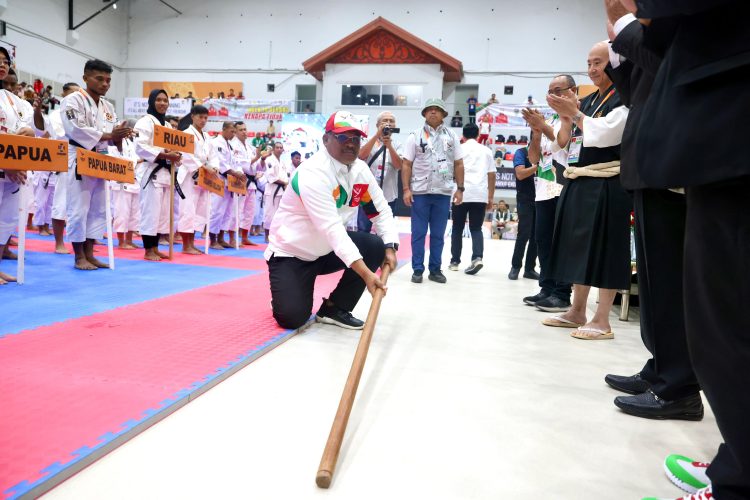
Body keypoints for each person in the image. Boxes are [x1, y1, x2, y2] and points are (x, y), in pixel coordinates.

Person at [630, 1, 750, 498]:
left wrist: (630, 15)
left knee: (727, 322)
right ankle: (739, 462)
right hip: (725, 116)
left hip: (732, 117)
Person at [596, 1, 703, 424]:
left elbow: (668, 66)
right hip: (649, 164)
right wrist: (619, 43)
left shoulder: (681, 22)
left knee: (671, 280)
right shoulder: (652, 31)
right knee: (657, 281)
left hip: (672, 162)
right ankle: (662, 368)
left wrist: (624, 23)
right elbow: (634, 93)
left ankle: (679, 385)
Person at [264, 111, 398, 330]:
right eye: (343, 137)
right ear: (326, 139)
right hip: (293, 254)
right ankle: (286, 291)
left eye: (356, 139)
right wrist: (366, 275)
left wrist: (390, 247)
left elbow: (379, 211)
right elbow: (332, 229)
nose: (351, 144)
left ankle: (335, 308)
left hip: (326, 250)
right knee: (292, 318)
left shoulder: (360, 172)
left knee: (375, 246)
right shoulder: (313, 173)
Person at [544, 41, 631, 339]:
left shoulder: (626, 96)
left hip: (609, 181)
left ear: (616, 64)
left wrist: (576, 114)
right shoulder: (591, 99)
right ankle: (577, 310)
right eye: (589, 63)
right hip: (580, 177)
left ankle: (602, 319)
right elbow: (567, 142)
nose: (592, 69)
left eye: (599, 62)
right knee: (577, 247)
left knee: (606, 249)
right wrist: (568, 115)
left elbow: (609, 132)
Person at [62, 59, 131, 270]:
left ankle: (90, 253)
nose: (104, 84)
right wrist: (110, 134)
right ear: (85, 78)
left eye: (108, 80)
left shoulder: (108, 106)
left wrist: (120, 136)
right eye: (99, 78)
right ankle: (78, 256)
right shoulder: (72, 100)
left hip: (100, 159)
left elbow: (112, 135)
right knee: (79, 209)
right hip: (79, 156)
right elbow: (75, 128)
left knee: (98, 209)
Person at [521, 76, 574, 312]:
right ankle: (547, 287)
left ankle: (562, 293)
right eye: (549, 91)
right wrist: (535, 132)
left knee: (561, 241)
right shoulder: (548, 118)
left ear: (571, 91)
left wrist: (542, 127)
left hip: (563, 184)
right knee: (543, 240)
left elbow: (562, 144)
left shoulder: (572, 115)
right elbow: (534, 158)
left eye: (558, 90)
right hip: (543, 187)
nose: (552, 95)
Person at [401, 98, 465, 284]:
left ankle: (435, 270)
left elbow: (459, 163)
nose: (433, 112)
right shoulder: (414, 135)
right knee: (418, 233)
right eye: (429, 109)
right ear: (424, 113)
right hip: (420, 192)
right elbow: (406, 164)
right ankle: (417, 269)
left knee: (438, 234)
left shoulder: (452, 136)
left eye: (437, 110)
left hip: (443, 193)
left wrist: (460, 189)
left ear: (444, 114)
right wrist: (406, 189)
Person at [0, 47, 46, 284]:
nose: (2, 64)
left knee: (6, 218)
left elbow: (36, 131)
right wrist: (5, 163)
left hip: (14, 169)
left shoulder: (16, 101)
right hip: (4, 165)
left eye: (5, 61)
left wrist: (31, 132)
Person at [134, 89, 182, 261]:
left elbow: (175, 148)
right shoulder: (144, 122)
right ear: (152, 102)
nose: (162, 103)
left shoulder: (168, 126)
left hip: (166, 174)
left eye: (165, 100)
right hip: (151, 172)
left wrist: (176, 156)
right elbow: (140, 146)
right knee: (150, 212)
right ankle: (148, 250)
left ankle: (155, 247)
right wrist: (164, 154)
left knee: (162, 214)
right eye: (159, 100)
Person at [448, 123, 494, 275]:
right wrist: (490, 197)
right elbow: (491, 174)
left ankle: (454, 261)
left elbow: (453, 170)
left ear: (463, 135)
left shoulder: (459, 148)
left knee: (457, 228)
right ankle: (477, 258)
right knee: (476, 228)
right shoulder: (486, 150)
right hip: (480, 194)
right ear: (479, 134)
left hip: (461, 192)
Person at [177, 105, 218, 254]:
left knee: (200, 211)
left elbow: (213, 156)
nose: (203, 120)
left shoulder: (207, 137)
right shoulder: (186, 134)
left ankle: (192, 243)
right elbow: (186, 155)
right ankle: (185, 245)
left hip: (204, 179)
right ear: (192, 116)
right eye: (200, 117)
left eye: (206, 118)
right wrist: (203, 166)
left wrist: (214, 167)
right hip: (189, 177)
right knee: (187, 210)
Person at [47, 82, 80, 254]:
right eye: (72, 93)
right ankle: (59, 243)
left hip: (81, 160)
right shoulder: (55, 115)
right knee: (60, 203)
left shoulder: (79, 113)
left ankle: (79, 243)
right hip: (63, 160)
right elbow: (62, 135)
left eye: (78, 93)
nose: (75, 96)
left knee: (80, 206)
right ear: (63, 93)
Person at [357, 111, 402, 233]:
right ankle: (363, 252)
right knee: (363, 229)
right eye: (385, 120)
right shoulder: (368, 141)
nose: (388, 123)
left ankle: (381, 252)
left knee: (385, 231)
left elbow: (399, 166)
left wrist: (389, 146)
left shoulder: (398, 144)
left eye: (391, 121)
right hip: (368, 195)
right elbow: (361, 155)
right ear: (378, 124)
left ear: (395, 125)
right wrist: (377, 135)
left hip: (388, 196)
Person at [208, 121, 246, 249]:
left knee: (227, 212)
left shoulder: (230, 145)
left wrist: (240, 173)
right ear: (223, 129)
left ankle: (221, 238)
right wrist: (235, 173)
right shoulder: (216, 143)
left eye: (235, 132)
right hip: (219, 179)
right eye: (232, 131)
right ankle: (212, 240)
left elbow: (236, 162)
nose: (233, 134)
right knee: (216, 211)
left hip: (230, 182)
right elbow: (221, 163)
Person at [508, 141, 539, 280]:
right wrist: (537, 168)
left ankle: (529, 269)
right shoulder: (521, 153)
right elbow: (520, 174)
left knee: (536, 236)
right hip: (525, 199)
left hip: (542, 199)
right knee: (524, 234)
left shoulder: (544, 154)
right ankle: (515, 267)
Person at [109, 123, 141, 250]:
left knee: (134, 213)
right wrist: (137, 161)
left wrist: (138, 161)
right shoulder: (113, 142)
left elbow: (135, 158)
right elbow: (117, 159)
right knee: (122, 212)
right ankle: (121, 241)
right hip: (121, 180)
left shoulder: (131, 142)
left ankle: (129, 239)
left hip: (134, 180)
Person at [230, 121, 259, 246]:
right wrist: (256, 158)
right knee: (237, 210)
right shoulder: (233, 145)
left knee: (249, 211)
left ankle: (244, 237)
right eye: (241, 129)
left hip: (251, 182)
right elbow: (240, 164)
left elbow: (256, 166)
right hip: (240, 180)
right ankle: (232, 238)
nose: (244, 132)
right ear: (235, 132)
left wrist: (260, 159)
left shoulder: (249, 146)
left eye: (245, 129)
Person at [259, 141, 292, 242]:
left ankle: (276, 235)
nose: (279, 149)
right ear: (273, 149)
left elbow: (285, 176)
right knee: (269, 213)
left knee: (280, 214)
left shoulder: (282, 162)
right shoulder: (269, 160)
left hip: (281, 191)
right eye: (277, 147)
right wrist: (285, 183)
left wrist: (286, 184)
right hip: (273, 189)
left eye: (280, 147)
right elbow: (271, 177)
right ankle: (266, 235)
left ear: (283, 150)